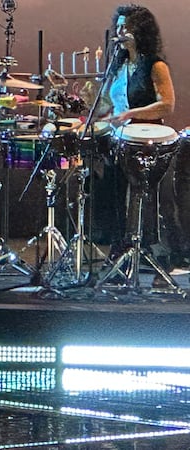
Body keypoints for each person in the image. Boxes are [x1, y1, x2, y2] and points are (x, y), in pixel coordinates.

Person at [97, 4, 175, 280]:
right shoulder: (117, 65)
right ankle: (119, 251)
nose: (120, 32)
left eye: (126, 27)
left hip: (145, 142)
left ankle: (152, 249)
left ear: (140, 30)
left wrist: (131, 114)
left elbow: (166, 105)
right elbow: (105, 103)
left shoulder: (155, 65)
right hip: (119, 140)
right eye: (118, 26)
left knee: (142, 197)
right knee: (113, 195)